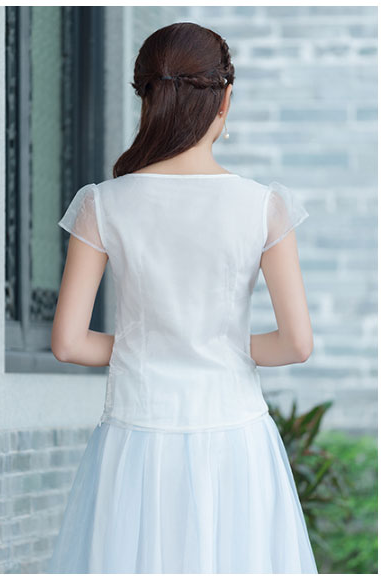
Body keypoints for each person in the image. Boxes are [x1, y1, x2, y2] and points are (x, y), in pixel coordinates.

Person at [45, 22, 317, 574]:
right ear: (224, 98)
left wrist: (153, 344)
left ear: (147, 99)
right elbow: (296, 344)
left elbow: (69, 344)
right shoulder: (263, 206)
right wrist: (214, 343)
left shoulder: (102, 204)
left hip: (136, 438)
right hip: (235, 437)